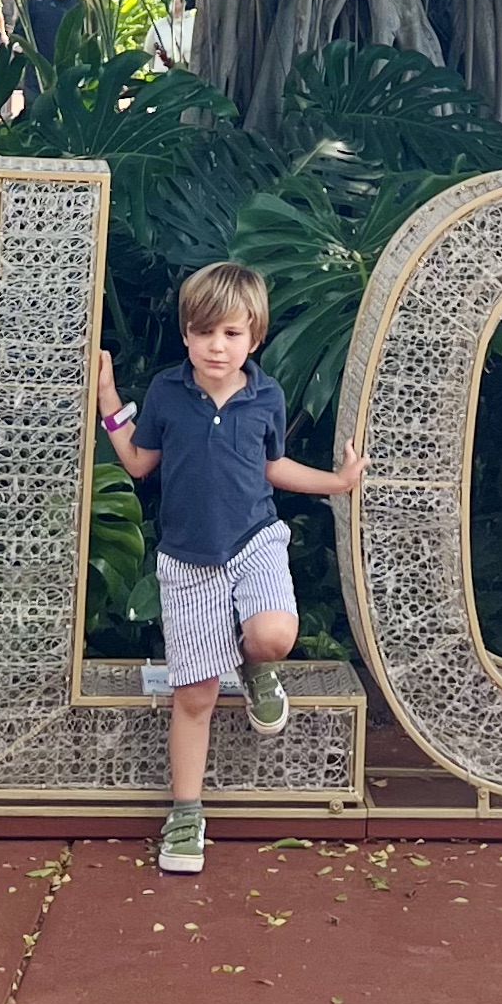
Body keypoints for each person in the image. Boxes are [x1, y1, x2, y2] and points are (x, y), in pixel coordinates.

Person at [95, 260, 365, 875]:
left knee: (273, 633)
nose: (217, 346)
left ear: (255, 337)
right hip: (188, 561)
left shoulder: (266, 395)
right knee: (196, 696)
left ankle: (259, 666)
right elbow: (139, 463)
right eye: (204, 332)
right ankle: (186, 812)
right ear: (186, 334)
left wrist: (337, 482)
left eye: (232, 334)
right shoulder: (166, 392)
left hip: (255, 541)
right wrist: (110, 399)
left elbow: (274, 467)